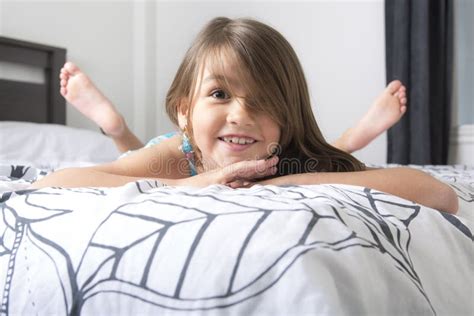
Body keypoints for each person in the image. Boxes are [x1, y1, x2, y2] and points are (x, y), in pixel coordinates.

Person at [32, 17, 458, 214]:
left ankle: (353, 137)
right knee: (131, 157)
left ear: (287, 119)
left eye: (263, 100)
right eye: (219, 93)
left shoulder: (286, 155)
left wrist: (289, 178)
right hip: (176, 155)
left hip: (280, 154)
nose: (241, 114)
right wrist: (197, 182)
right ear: (185, 112)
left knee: (332, 152)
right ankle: (114, 125)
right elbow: (52, 182)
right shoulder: (177, 156)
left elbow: (440, 194)